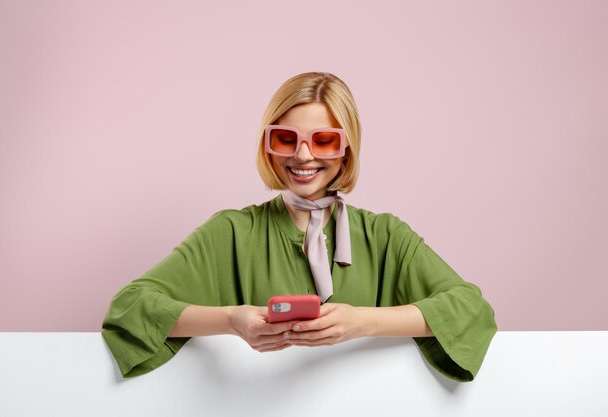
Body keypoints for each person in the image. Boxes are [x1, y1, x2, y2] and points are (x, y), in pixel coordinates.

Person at [102, 72, 497, 381]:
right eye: (286, 138)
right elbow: (130, 307)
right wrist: (231, 320)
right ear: (268, 145)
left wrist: (361, 323)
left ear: (346, 151)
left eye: (324, 140)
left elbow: (470, 310)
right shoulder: (232, 232)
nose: (302, 155)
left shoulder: (385, 236)